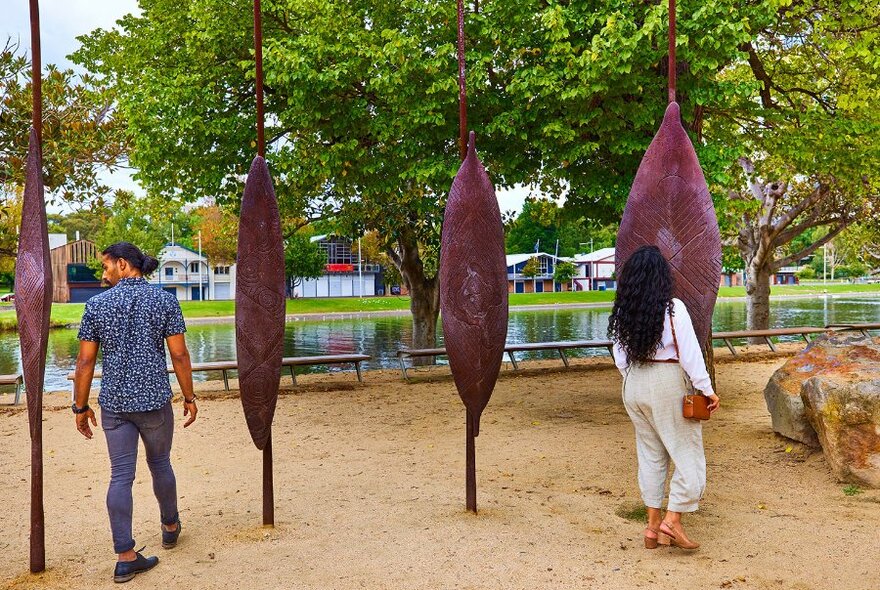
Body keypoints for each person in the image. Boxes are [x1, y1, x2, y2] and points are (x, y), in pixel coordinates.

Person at [72, 242, 198, 583]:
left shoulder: (96, 306)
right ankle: (170, 526)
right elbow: (180, 355)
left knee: (120, 476)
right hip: (155, 401)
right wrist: (189, 396)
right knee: (160, 463)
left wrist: (80, 407)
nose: (103, 273)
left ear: (123, 264)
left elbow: (85, 362)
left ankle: (125, 557)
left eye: (106, 267)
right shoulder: (164, 301)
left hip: (115, 405)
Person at [608, 245, 720, 550]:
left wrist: (635, 380)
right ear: (661, 277)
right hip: (666, 382)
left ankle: (652, 527)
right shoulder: (673, 309)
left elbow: (619, 356)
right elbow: (690, 354)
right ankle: (672, 521)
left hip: (634, 383)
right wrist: (706, 388)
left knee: (650, 456)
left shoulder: (623, 311)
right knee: (688, 456)